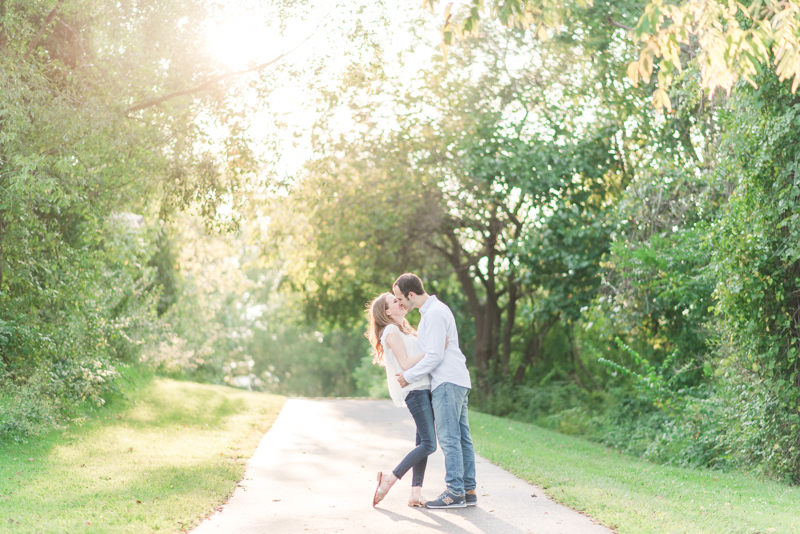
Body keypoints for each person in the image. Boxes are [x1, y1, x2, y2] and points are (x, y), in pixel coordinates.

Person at [393, 273, 477, 509]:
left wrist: (408, 376)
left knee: (450, 438)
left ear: (411, 295)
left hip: (447, 381)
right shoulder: (431, 313)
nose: (399, 304)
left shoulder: (435, 313)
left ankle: (455, 492)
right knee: (462, 438)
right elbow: (433, 350)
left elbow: (435, 355)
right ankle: (468, 490)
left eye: (401, 299)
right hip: (454, 379)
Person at [366, 292, 437, 508]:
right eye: (394, 301)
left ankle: (415, 493)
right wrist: (432, 352)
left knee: (421, 442)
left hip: (423, 388)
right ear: (387, 311)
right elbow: (405, 363)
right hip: (415, 391)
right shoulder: (390, 331)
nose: (400, 301)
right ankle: (389, 479)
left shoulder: (403, 329)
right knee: (429, 444)